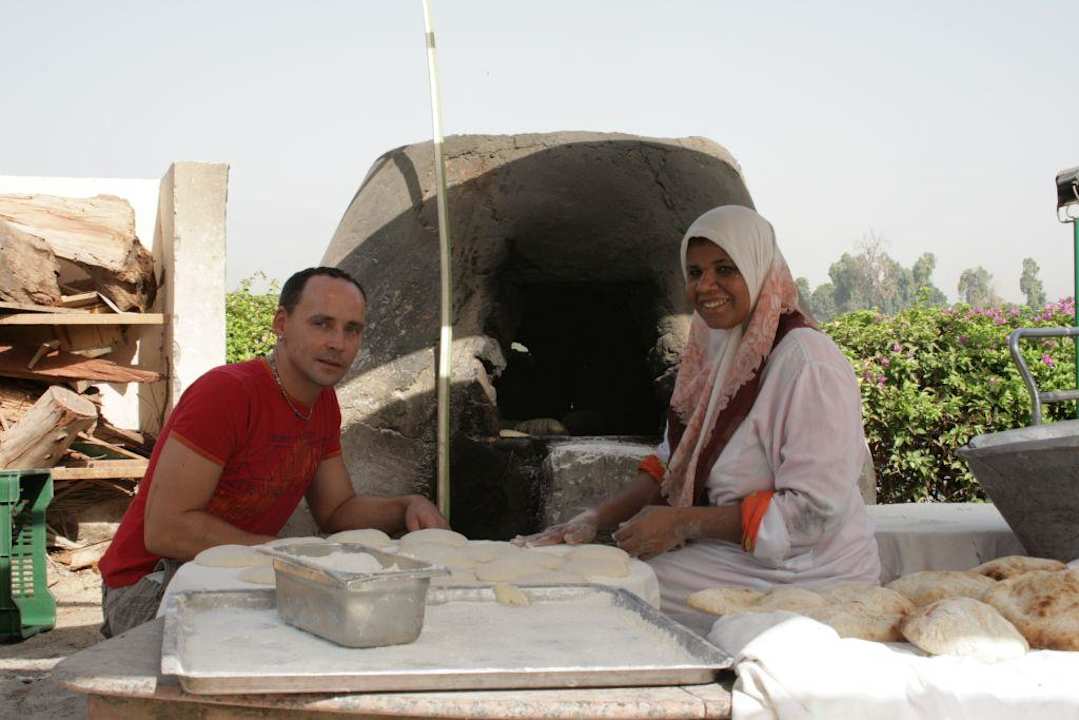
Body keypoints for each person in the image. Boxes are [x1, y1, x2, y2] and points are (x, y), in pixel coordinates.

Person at [517, 206, 880, 633]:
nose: (706, 286)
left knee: (600, 592)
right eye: (694, 272)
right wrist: (596, 518)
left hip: (805, 571)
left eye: (725, 269)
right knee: (567, 573)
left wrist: (683, 522)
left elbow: (811, 514)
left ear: (759, 267)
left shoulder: (808, 365)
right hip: (741, 555)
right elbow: (673, 459)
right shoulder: (720, 346)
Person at [98, 267, 448, 637]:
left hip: (236, 571)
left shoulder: (322, 403)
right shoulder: (227, 393)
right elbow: (166, 531)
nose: (338, 343)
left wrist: (406, 505)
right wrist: (290, 555)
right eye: (321, 324)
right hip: (148, 585)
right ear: (281, 323)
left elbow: (337, 510)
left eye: (352, 329)